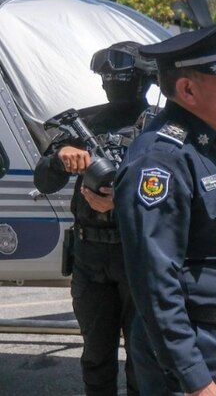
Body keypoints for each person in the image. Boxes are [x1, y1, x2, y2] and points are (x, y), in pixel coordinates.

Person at [113, 13, 216, 396]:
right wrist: (194, 378)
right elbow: (156, 283)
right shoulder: (161, 160)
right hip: (198, 350)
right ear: (187, 90)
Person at [33, 41, 155, 396]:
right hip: (91, 257)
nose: (110, 85)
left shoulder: (160, 127)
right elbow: (43, 179)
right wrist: (60, 158)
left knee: (144, 358)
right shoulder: (84, 123)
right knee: (97, 357)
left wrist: (122, 203)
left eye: (120, 78)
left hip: (139, 255)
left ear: (144, 81)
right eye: (106, 78)